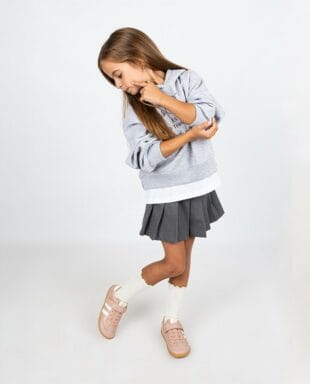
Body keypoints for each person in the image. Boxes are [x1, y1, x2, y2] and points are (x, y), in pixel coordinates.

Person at [96, 27, 224, 359]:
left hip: (198, 184)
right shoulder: (134, 111)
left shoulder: (185, 80)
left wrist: (164, 99)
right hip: (166, 191)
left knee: (185, 260)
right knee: (173, 262)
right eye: (113, 80)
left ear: (137, 57)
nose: (119, 85)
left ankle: (171, 321)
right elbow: (146, 158)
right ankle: (120, 295)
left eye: (119, 74)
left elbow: (208, 113)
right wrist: (189, 136)